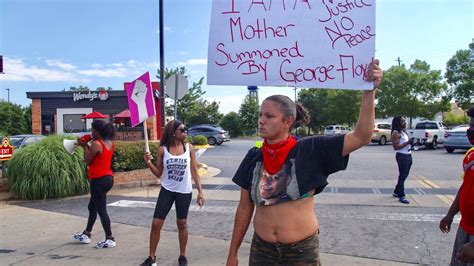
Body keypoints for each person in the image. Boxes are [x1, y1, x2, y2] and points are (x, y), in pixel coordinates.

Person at [226, 59, 383, 265]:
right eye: (260, 115)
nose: (261, 120)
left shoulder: (310, 149)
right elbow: (244, 209)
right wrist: (233, 253)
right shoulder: (254, 157)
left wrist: (368, 91)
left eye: (269, 116)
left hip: (301, 252)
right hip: (262, 251)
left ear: (287, 122)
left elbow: (362, 136)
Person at [141, 120, 205, 266]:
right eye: (182, 130)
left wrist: (200, 192)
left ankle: (182, 256)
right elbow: (158, 173)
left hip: (184, 191)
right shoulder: (163, 149)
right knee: (156, 224)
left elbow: (194, 171)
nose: (185, 132)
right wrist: (149, 163)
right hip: (167, 190)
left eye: (185, 130)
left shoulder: (189, 148)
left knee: (182, 223)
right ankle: (151, 258)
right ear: (174, 132)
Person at [72, 120, 116, 248]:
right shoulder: (108, 143)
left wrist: (84, 146)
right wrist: (86, 144)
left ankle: (110, 238)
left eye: (92, 130)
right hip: (107, 178)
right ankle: (87, 233)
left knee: (101, 209)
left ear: (97, 131)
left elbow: (87, 160)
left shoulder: (97, 144)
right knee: (93, 207)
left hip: (98, 179)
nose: (91, 132)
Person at [440, 107, 474, 265]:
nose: (470, 130)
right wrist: (450, 214)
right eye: (471, 125)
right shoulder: (471, 156)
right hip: (465, 227)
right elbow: (465, 187)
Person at [391, 116, 413, 204]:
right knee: (403, 175)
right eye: (403, 121)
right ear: (398, 123)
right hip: (402, 156)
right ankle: (401, 195)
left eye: (404, 121)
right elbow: (395, 147)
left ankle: (396, 191)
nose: (405, 122)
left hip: (408, 154)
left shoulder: (403, 132)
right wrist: (408, 142)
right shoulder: (396, 133)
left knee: (405, 174)